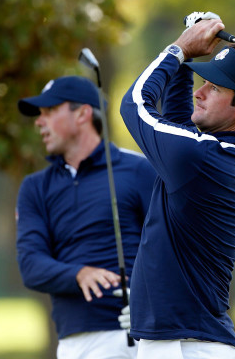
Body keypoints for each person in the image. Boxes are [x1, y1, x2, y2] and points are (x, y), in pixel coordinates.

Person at [119, 16, 235, 358]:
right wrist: (187, 60)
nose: (200, 91)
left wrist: (179, 48)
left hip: (178, 343)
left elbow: (134, 105)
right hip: (197, 340)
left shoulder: (199, 157)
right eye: (202, 81)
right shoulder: (234, 155)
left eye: (216, 89)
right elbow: (181, 122)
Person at [15, 75, 157, 359]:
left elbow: (170, 249)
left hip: (133, 337)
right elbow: (31, 265)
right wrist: (78, 274)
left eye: (50, 112)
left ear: (82, 114)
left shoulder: (139, 170)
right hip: (71, 342)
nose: (39, 122)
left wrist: (155, 307)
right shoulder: (35, 187)